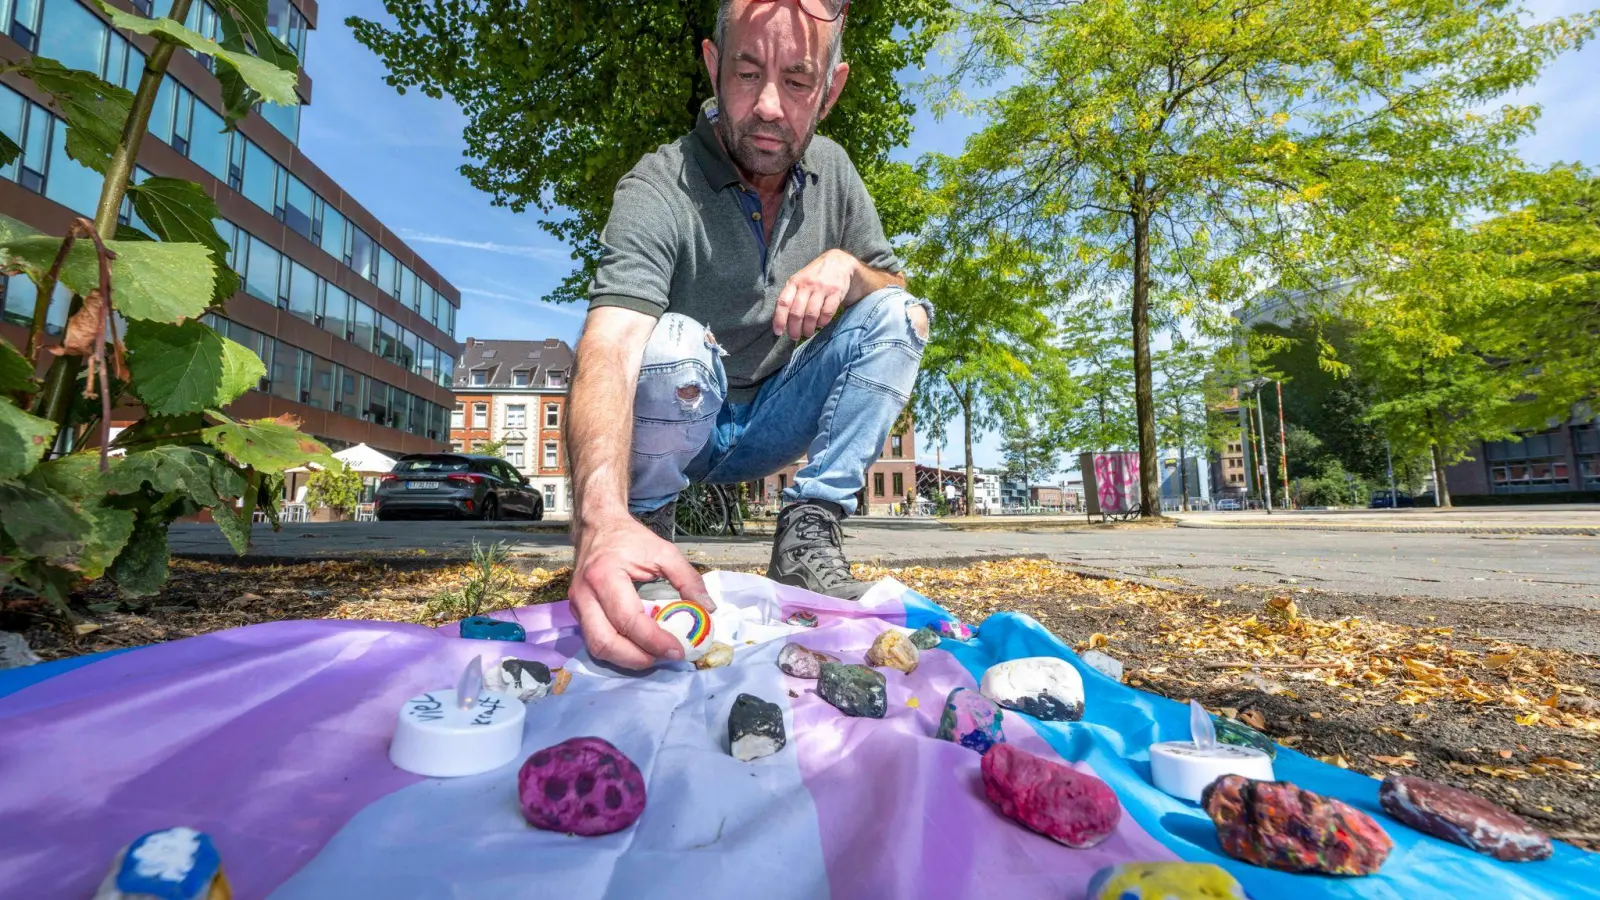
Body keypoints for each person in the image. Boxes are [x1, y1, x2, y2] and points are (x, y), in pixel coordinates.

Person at [564, 0, 933, 670]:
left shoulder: (836, 171)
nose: (769, 105)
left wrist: (851, 272)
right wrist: (598, 517)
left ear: (831, 88)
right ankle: (641, 530)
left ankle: (807, 534)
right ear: (711, 65)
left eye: (797, 81)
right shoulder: (657, 182)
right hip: (683, 412)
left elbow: (897, 294)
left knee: (900, 314)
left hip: (775, 414)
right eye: (747, 72)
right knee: (670, 340)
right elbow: (612, 346)